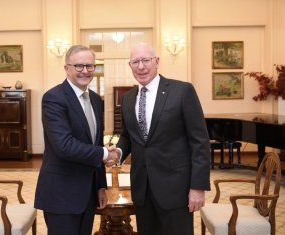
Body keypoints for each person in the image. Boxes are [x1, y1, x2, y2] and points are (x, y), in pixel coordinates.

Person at [116, 43, 211, 235]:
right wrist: (117, 152)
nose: (140, 66)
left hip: (176, 189)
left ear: (157, 61)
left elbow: (199, 141)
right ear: (130, 65)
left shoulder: (182, 91)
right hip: (142, 188)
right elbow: (128, 136)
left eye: (146, 60)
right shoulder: (128, 98)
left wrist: (198, 187)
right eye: (135, 62)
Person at [34, 45, 119, 235]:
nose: (85, 71)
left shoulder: (96, 100)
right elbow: (64, 146)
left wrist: (100, 186)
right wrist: (105, 153)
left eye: (90, 66)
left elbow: (94, 143)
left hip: (87, 194)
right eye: (79, 66)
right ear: (67, 68)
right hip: (61, 194)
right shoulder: (53, 98)